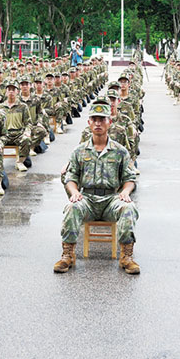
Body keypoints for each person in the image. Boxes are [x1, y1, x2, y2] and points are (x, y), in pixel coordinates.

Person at [54, 100, 139, 275]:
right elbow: (70, 177)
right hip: (88, 200)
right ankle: (67, 254)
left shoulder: (120, 151)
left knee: (129, 208)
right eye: (94, 119)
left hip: (110, 200)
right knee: (72, 207)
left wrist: (125, 191)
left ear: (110, 122)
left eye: (102, 119)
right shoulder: (79, 151)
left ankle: (126, 256)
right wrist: (75, 192)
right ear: (89, 123)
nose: (98, 123)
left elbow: (130, 178)